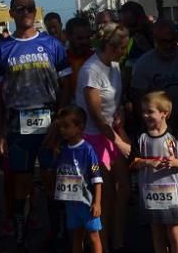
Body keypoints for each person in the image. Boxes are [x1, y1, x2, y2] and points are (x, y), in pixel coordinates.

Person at [0, 0, 71, 250]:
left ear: (36, 12)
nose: (25, 13)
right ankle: (20, 232)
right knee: (20, 181)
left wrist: (61, 120)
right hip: (16, 122)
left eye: (30, 8)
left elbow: (66, 84)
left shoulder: (52, 45)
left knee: (50, 178)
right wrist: (0, 130)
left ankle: (55, 230)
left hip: (50, 120)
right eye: (20, 8)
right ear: (11, 13)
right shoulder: (2, 49)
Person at [75, 23, 130, 252]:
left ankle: (117, 239)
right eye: (121, 48)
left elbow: (115, 101)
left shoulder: (115, 66)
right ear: (109, 46)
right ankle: (103, 243)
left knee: (124, 189)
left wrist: (120, 117)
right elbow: (96, 116)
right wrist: (119, 142)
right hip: (94, 137)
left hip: (112, 132)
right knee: (105, 195)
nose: (123, 52)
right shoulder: (91, 70)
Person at [130, 92, 178, 253]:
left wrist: (175, 162)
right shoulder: (140, 136)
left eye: (150, 111)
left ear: (164, 113)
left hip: (173, 192)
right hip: (150, 192)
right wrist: (147, 162)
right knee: (156, 231)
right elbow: (132, 162)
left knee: (175, 230)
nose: (145, 115)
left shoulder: (174, 136)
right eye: (143, 111)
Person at [130, 20, 178, 137]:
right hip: (158, 127)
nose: (168, 45)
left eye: (171, 40)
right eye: (163, 42)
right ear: (154, 40)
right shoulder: (143, 64)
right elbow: (138, 99)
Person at [51, 105, 103, 253]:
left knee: (93, 236)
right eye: (60, 127)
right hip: (71, 202)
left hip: (86, 202)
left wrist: (97, 202)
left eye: (66, 126)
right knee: (76, 236)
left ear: (79, 127)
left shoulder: (88, 150)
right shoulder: (62, 149)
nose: (62, 130)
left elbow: (97, 178)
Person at [63, 18, 95, 100]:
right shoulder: (61, 60)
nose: (85, 42)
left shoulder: (96, 58)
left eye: (88, 38)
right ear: (68, 36)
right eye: (80, 38)